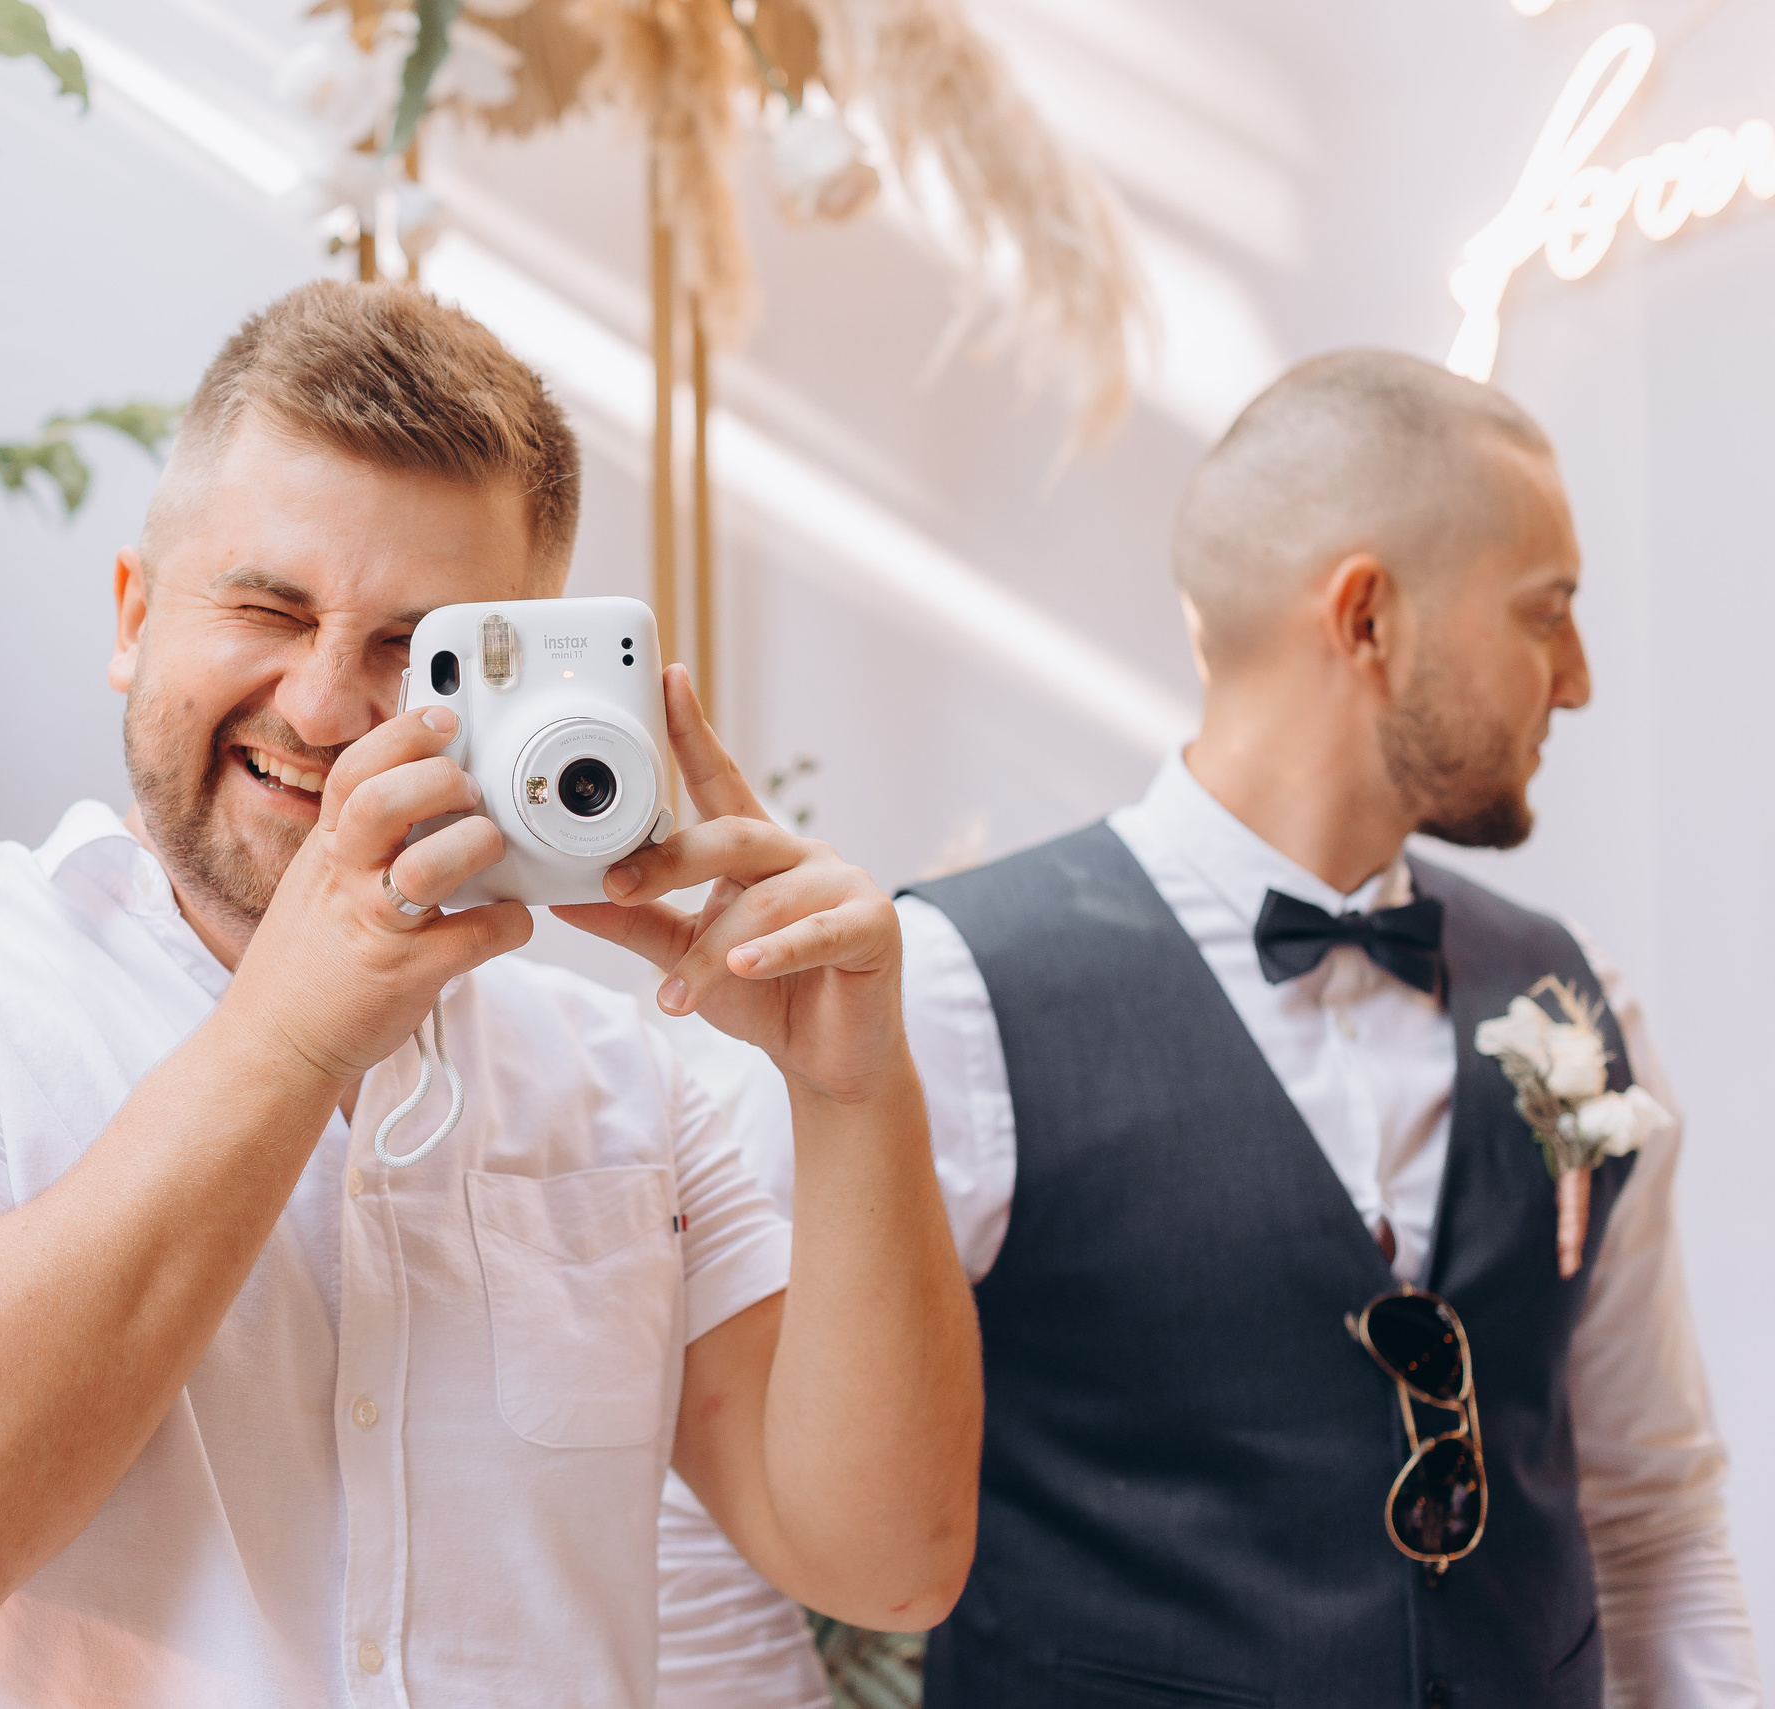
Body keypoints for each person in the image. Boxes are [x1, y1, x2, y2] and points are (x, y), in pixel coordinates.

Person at [0, 280, 982, 1708]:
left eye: (410, 651)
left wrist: (855, 1097)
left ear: (510, 683)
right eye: (265, 606)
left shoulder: (628, 1076)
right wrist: (295, 1032)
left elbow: (884, 1559)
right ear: (131, 615)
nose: (316, 706)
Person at [657, 350, 1761, 1708]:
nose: (1578, 679)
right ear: (1367, 619)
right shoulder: (935, 994)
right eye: (1548, 613)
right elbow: (712, 1502)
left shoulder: (1578, 996)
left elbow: (1652, 1509)